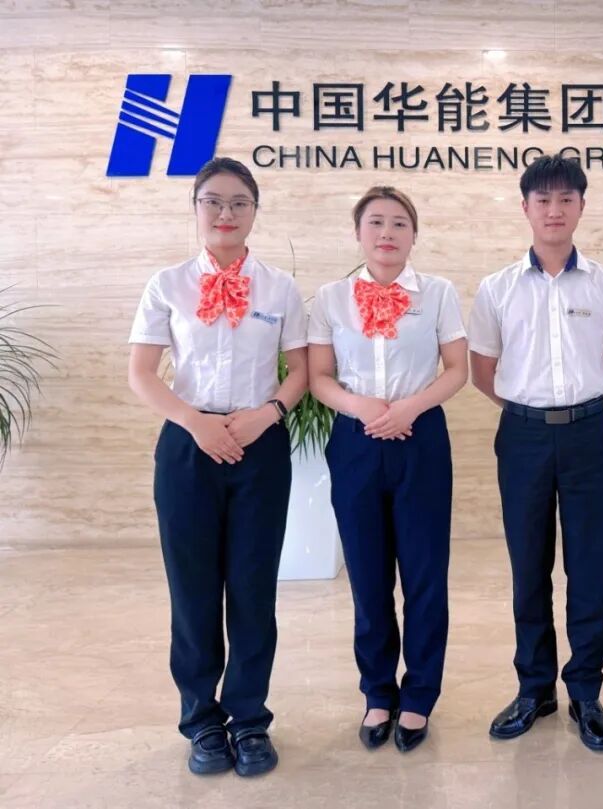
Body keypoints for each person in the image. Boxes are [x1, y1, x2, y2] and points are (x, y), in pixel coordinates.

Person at [128, 157, 308, 776]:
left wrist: (268, 413)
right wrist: (195, 422)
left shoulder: (280, 288)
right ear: (196, 209)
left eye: (239, 203)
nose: (226, 213)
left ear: (255, 212)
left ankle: (250, 721)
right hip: (188, 446)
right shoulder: (168, 284)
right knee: (193, 591)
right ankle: (202, 721)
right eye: (213, 201)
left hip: (259, 445)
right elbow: (142, 373)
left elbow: (302, 370)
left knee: (253, 589)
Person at [469, 155, 603, 752]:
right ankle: (534, 687)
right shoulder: (497, 287)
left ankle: (585, 692)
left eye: (566, 198)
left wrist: (571, 407)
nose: (554, 210)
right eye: (543, 200)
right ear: (526, 208)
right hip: (523, 437)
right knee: (528, 565)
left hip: (589, 432)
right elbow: (483, 371)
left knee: (588, 567)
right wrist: (531, 409)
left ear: (581, 207)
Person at [308, 186, 467, 753]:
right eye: (375, 222)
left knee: (424, 574)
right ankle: (378, 692)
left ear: (414, 234)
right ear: (358, 233)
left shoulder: (438, 292)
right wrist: (365, 409)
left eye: (400, 223)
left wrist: (407, 409)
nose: (387, 233)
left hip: (420, 437)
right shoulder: (331, 298)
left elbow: (457, 369)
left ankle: (419, 695)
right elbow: (319, 376)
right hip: (356, 441)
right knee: (368, 574)